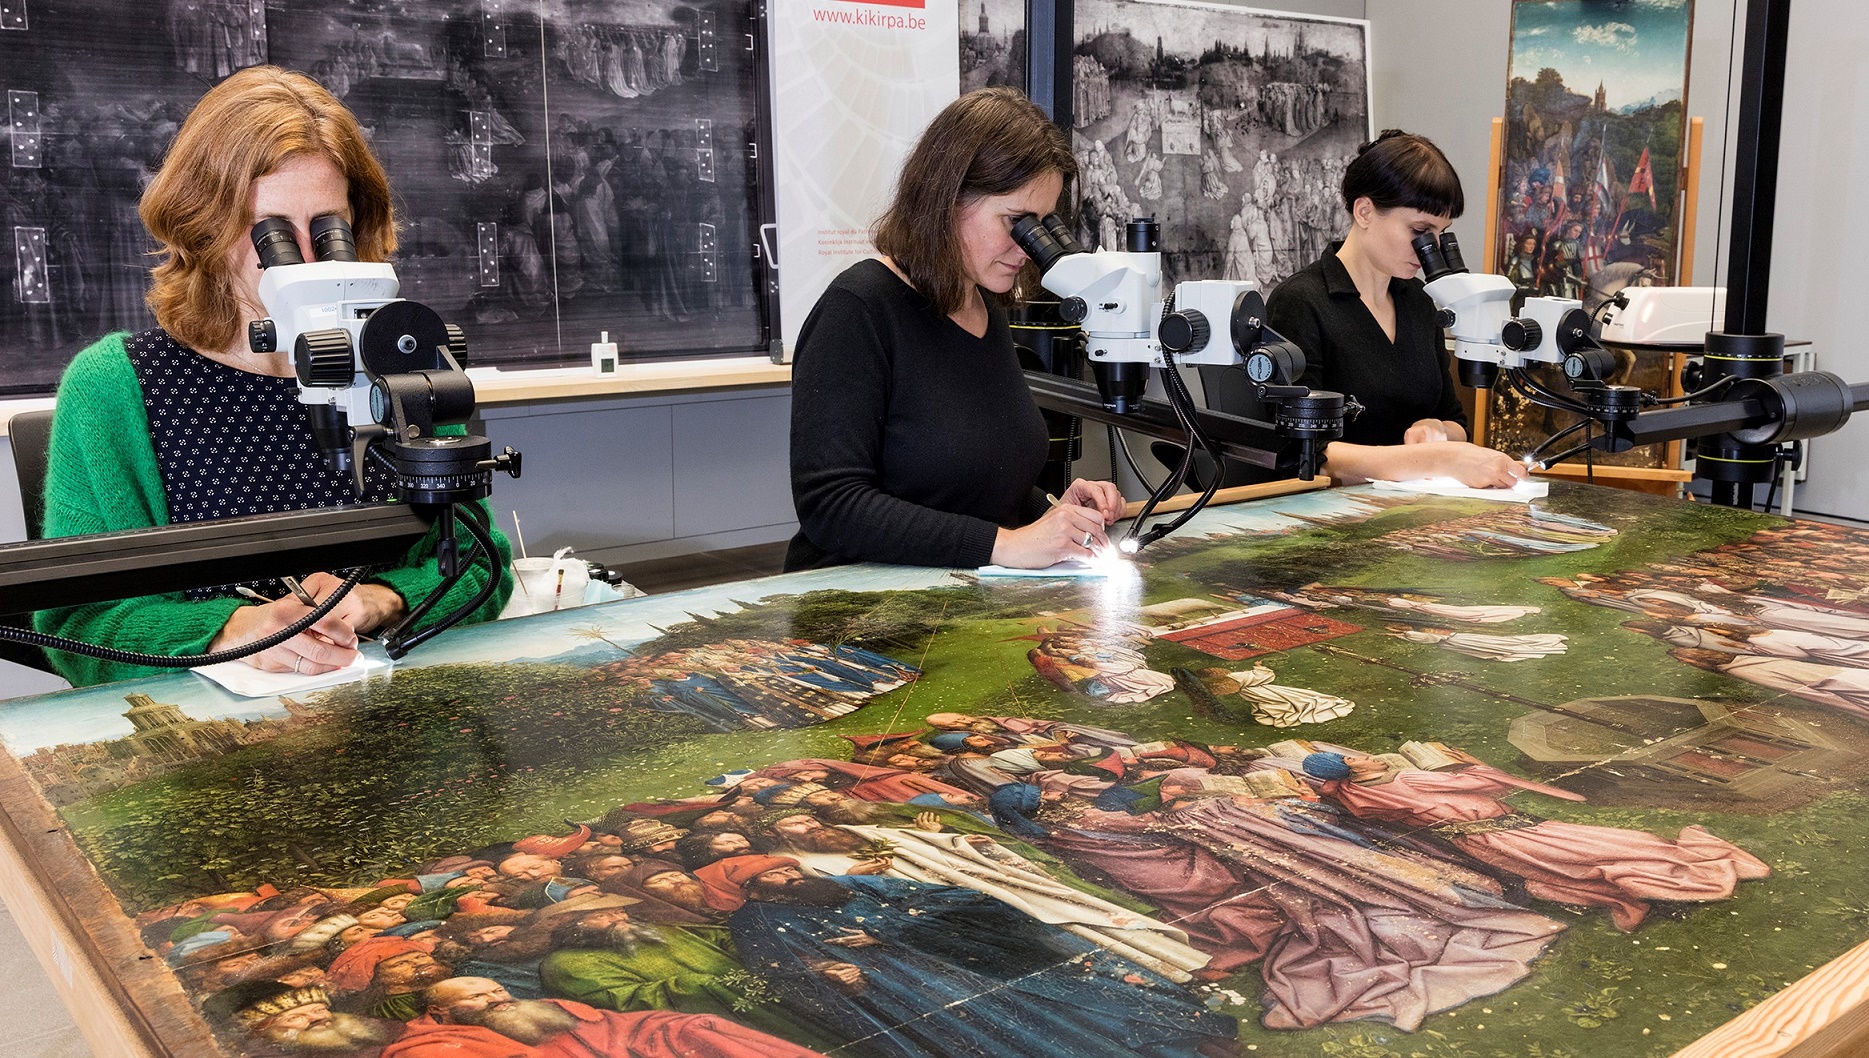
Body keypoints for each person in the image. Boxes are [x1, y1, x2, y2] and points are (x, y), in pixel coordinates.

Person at [34, 67, 511, 687]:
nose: (307, 259)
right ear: (203, 224)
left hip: (389, 717)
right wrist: (231, 633)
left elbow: (481, 562)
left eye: (328, 228)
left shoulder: (399, 362)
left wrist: (379, 600)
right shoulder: (112, 389)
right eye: (272, 232)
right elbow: (75, 621)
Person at [786, 87, 1124, 571]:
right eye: (1016, 221)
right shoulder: (858, 308)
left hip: (955, 594)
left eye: (1043, 225)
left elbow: (962, 487)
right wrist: (1004, 546)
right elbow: (831, 505)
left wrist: (1053, 513)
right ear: (948, 199)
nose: (1030, 248)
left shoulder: (986, 306)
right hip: (856, 608)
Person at [1261, 130, 1528, 488]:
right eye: (1420, 230)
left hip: (1409, 507)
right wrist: (1436, 458)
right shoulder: (1301, 302)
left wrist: (1435, 430)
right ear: (1365, 211)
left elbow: (1455, 422)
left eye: (1441, 233)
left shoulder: (1418, 302)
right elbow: (1305, 450)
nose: (1428, 248)